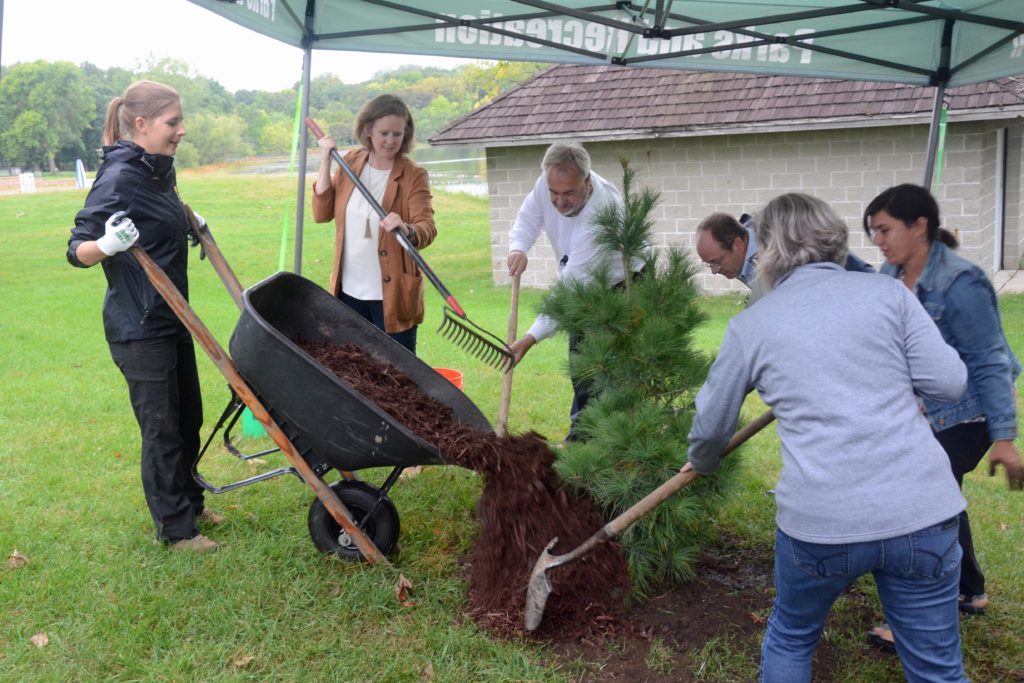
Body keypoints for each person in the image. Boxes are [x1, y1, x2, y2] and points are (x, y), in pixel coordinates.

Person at [686, 192, 970, 682]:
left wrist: (703, 461)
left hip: (822, 524)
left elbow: (710, 426)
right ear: (835, 238)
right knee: (937, 670)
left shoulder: (752, 326)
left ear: (768, 249)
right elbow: (949, 383)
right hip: (921, 511)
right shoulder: (888, 294)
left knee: (793, 637)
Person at [863, 184, 1023, 649]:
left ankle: (916, 617)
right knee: (940, 497)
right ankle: (969, 590)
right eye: (873, 231)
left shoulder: (960, 282)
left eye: (885, 229)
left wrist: (1005, 437)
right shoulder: (893, 274)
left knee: (917, 505)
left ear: (920, 226)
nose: (879, 240)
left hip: (970, 414)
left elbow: (990, 360)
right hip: (931, 411)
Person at [66, 80, 222, 553]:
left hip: (172, 316)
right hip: (138, 326)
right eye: (172, 123)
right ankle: (176, 531)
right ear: (141, 124)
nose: (181, 130)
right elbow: (76, 250)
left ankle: (191, 504)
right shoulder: (119, 178)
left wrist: (188, 223)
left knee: (188, 416)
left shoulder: (156, 171)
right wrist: (106, 245)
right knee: (162, 429)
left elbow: (158, 219)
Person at [505, 142, 632, 442]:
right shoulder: (548, 181)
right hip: (580, 279)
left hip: (620, 285)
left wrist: (529, 338)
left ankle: (608, 442)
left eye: (569, 194)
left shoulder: (603, 212)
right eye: (554, 194)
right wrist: (519, 247)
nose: (559, 202)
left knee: (606, 368)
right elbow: (527, 218)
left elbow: (572, 286)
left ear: (587, 182)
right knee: (581, 364)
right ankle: (582, 436)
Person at [312, 94, 436, 353]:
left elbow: (426, 228)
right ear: (368, 130)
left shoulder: (414, 175)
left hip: (392, 297)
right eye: (384, 133)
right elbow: (321, 213)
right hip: (348, 293)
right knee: (354, 369)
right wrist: (325, 161)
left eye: (397, 134)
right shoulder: (350, 163)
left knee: (398, 376)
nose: (391, 141)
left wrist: (406, 228)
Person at [696, 210, 874, 304]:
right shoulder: (747, 253)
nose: (713, 271)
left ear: (738, 245)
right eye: (708, 264)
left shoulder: (780, 247)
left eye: (716, 262)